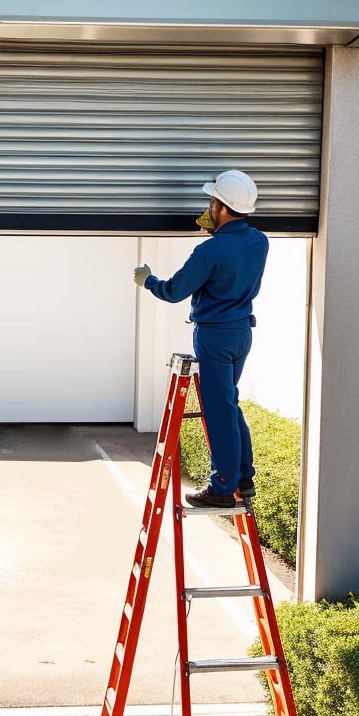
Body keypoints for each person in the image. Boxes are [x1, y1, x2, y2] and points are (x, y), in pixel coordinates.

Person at [133, 170, 267, 508]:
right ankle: (243, 475)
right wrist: (219, 236)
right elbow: (232, 259)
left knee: (218, 412)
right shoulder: (259, 241)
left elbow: (175, 290)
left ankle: (222, 487)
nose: (208, 208)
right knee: (229, 404)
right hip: (241, 333)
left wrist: (147, 281)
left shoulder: (209, 250)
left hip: (214, 336)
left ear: (221, 206)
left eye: (212, 202)